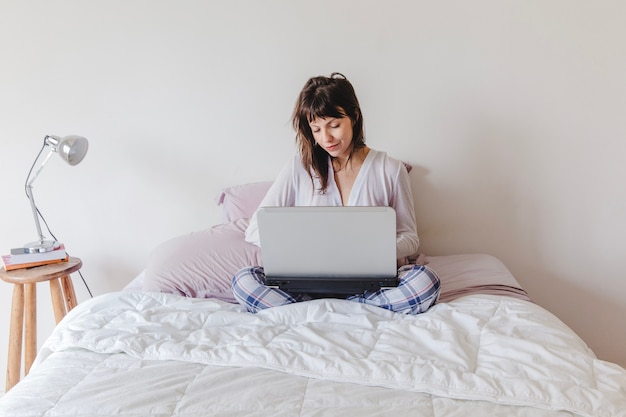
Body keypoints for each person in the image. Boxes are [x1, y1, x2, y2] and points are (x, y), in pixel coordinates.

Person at [232, 72, 440, 314]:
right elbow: (255, 229)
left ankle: (316, 312)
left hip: (371, 286)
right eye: (316, 129)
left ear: (354, 116)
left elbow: (410, 238)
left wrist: (374, 252)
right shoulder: (299, 168)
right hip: (307, 284)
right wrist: (301, 246)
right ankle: (353, 313)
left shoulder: (390, 169)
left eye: (334, 125)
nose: (326, 138)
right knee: (243, 281)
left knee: (426, 282)